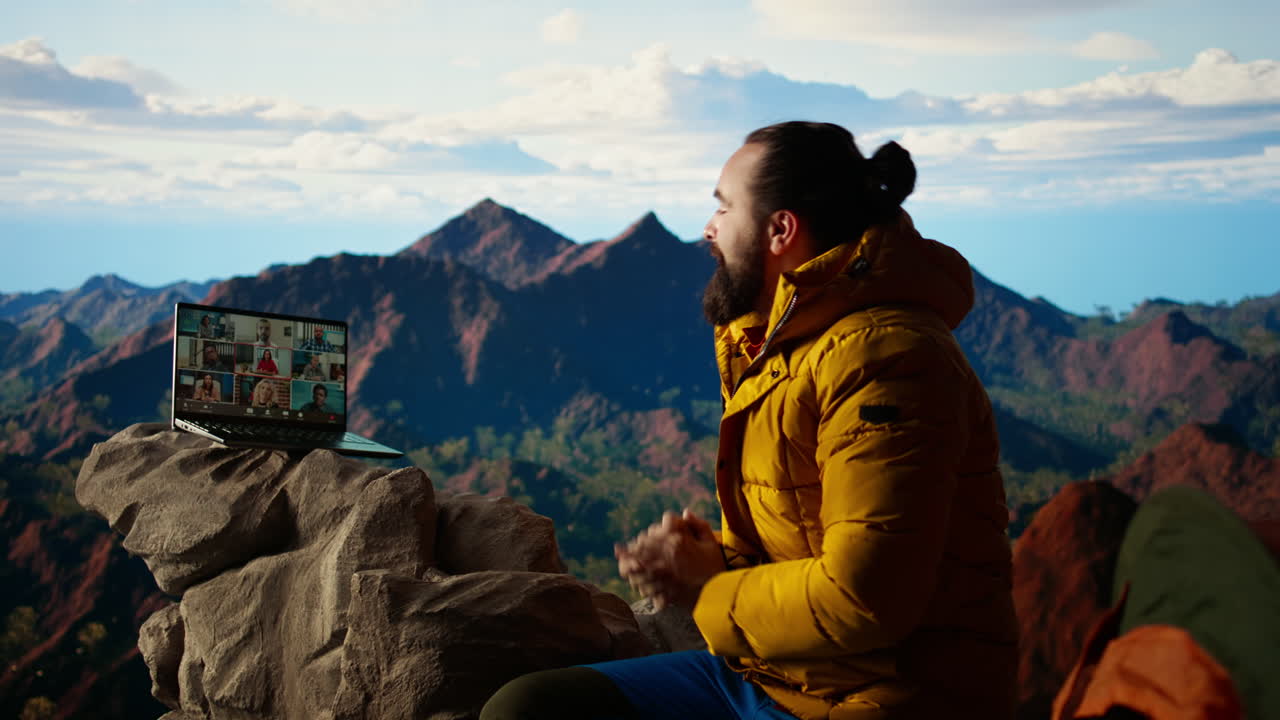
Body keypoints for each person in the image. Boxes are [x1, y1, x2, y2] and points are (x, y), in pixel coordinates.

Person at [482, 122, 1017, 720]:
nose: (708, 229)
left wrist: (705, 587)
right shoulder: (774, 343)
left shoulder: (885, 359)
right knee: (528, 706)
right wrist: (710, 557)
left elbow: (866, 598)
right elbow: (808, 538)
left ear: (780, 230)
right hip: (771, 672)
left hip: (880, 696)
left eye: (723, 207)